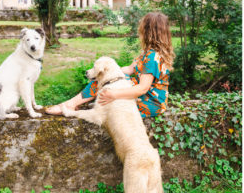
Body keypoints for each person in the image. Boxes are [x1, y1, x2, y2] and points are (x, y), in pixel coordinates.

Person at [46, 11, 174, 117]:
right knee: (105, 78)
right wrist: (108, 72)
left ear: (147, 31)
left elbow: (143, 88)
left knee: (109, 93)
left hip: (151, 103)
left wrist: (114, 94)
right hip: (145, 96)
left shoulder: (152, 57)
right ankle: (73, 103)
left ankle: (71, 105)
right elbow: (129, 69)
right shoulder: (148, 53)